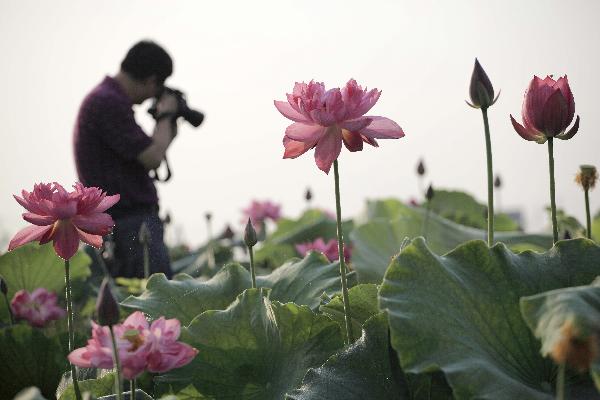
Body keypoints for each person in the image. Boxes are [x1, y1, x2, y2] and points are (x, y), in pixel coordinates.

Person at [73, 40, 178, 279]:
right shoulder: (108, 102)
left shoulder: (105, 98)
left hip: (124, 224)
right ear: (151, 80)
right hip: (128, 225)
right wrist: (167, 115)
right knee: (157, 308)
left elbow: (152, 154)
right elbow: (152, 157)